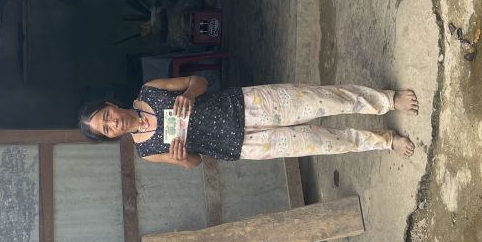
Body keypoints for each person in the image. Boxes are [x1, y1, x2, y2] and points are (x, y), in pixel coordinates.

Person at [78, 76, 418, 169]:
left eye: (106, 116)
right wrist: (182, 159)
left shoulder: (149, 91)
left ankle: (387, 101)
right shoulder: (146, 151)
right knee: (321, 142)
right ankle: (385, 141)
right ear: (111, 137)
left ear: (111, 105)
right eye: (106, 129)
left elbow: (199, 81)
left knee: (321, 100)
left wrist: (189, 95)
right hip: (241, 145)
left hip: (245, 105)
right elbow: (194, 162)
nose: (113, 123)